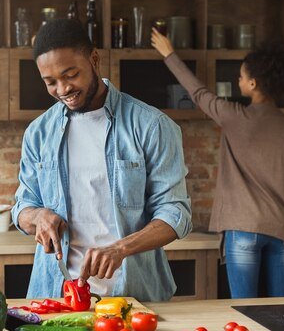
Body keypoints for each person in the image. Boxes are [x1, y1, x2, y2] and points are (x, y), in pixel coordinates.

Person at [12, 19, 192, 302]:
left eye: (70, 75)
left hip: (135, 295)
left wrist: (121, 248)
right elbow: (22, 208)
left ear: (94, 59)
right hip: (56, 297)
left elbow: (175, 213)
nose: (62, 89)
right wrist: (37, 217)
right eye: (50, 82)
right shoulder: (38, 133)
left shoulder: (151, 125)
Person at [151, 28, 284, 298]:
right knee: (283, 312)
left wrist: (169, 55)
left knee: (246, 311)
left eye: (241, 76)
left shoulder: (233, 116)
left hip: (243, 229)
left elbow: (198, 93)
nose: (239, 80)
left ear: (253, 84)